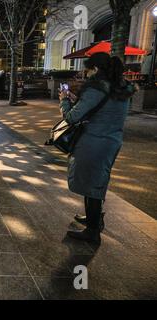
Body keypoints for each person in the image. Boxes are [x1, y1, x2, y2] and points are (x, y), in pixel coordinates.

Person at [59, 52, 136, 244]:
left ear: (95, 69)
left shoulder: (96, 89)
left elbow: (70, 117)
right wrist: (81, 100)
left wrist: (64, 100)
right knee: (98, 180)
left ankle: (92, 231)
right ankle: (94, 217)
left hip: (94, 142)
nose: (86, 74)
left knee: (91, 183)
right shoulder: (121, 86)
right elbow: (105, 109)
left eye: (88, 69)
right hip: (112, 141)